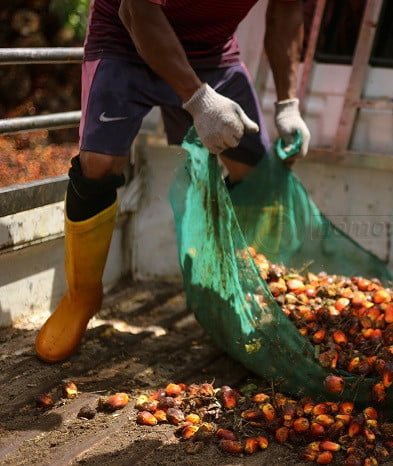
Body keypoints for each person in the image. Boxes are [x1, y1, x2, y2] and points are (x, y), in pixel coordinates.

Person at [34, 0, 311, 363]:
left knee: (257, 174)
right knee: (98, 164)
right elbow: (136, 12)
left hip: (211, 52)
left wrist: (288, 103)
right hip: (125, 40)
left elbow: (286, 12)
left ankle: (241, 297)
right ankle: (81, 297)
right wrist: (198, 101)